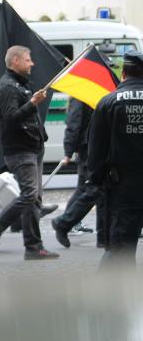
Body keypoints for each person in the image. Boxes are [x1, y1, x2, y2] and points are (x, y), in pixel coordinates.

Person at [0, 46, 59, 260]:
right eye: (28, 59)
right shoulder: (7, 86)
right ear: (15, 61)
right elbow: (10, 119)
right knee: (30, 194)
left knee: (35, 200)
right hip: (20, 149)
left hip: (33, 146)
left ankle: (33, 248)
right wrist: (32, 103)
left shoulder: (19, 84)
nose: (32, 63)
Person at [88, 50, 143, 267]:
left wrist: (97, 179)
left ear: (123, 73)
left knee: (121, 248)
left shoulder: (108, 102)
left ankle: (113, 295)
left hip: (123, 186)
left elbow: (96, 150)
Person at [52, 98, 106, 249]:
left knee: (85, 189)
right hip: (89, 148)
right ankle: (64, 223)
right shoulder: (83, 96)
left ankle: (102, 237)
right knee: (98, 189)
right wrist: (68, 151)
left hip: (90, 147)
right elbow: (74, 123)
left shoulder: (88, 94)